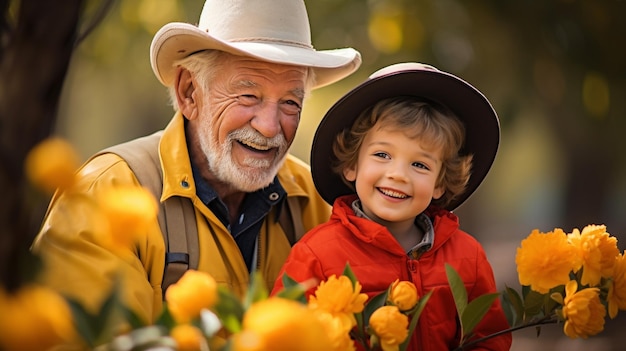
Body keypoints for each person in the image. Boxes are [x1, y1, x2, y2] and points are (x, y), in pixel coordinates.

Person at [31, 0, 361, 326]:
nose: (270, 126)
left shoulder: (316, 201)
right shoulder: (105, 196)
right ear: (189, 92)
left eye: (290, 102)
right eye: (248, 95)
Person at [272, 62, 512, 350]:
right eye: (383, 154)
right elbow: (283, 336)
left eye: (420, 164)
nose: (398, 174)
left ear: (440, 183)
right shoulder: (317, 255)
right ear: (351, 165)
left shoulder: (467, 257)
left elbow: (489, 339)